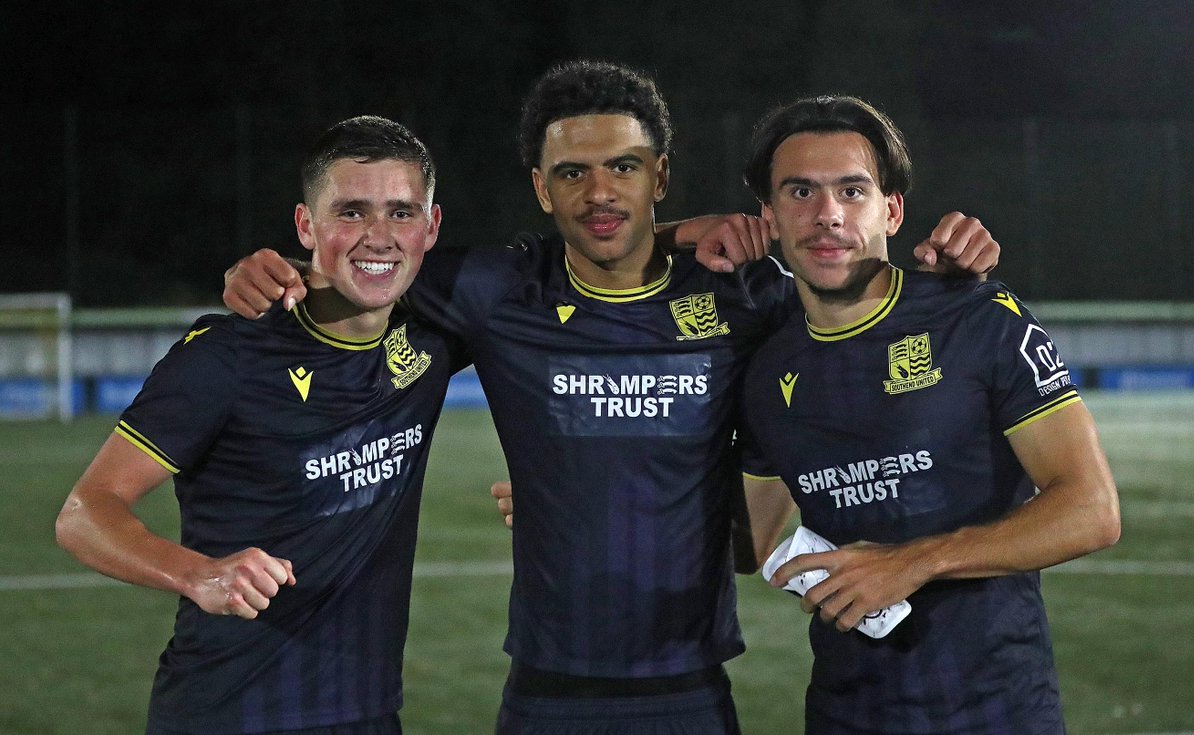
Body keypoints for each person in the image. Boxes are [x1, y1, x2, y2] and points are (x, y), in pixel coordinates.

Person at [223, 61, 999, 734]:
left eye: (625, 168)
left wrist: (938, 268)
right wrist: (276, 271)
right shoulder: (498, 292)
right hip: (546, 691)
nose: (600, 192)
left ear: (660, 175)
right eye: (572, 173)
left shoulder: (743, 292)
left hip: (690, 686)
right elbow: (369, 266)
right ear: (539, 186)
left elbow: (858, 306)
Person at [56, 116, 464, 734]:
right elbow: (86, 512)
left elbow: (594, 275)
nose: (378, 236)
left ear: (430, 226)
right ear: (306, 224)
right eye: (350, 212)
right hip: (229, 712)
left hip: (369, 713)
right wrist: (200, 573)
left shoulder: (435, 333)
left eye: (401, 213)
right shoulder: (227, 356)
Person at [734, 95, 1121, 733]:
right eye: (800, 191)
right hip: (845, 711)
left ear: (892, 210)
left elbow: (1092, 510)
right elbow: (742, 544)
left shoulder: (976, 317)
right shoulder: (766, 366)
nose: (826, 215)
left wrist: (912, 562)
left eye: (851, 191)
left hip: (997, 711)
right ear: (769, 216)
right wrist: (587, 493)